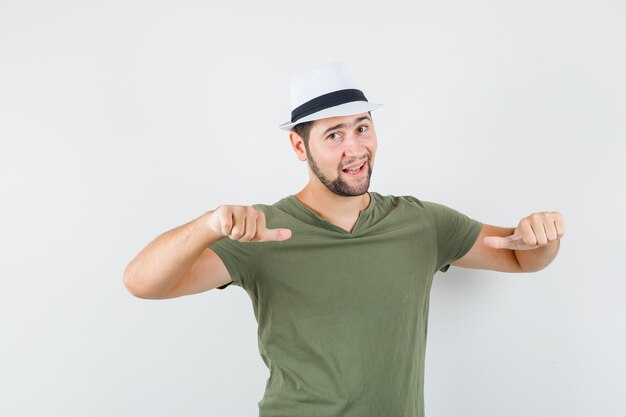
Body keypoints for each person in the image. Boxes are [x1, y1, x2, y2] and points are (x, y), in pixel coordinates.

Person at [123, 62, 565, 417]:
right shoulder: (263, 230)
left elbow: (522, 257)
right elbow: (142, 282)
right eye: (334, 135)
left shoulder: (421, 223)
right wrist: (208, 224)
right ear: (300, 147)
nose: (355, 149)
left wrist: (542, 236)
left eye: (362, 127)